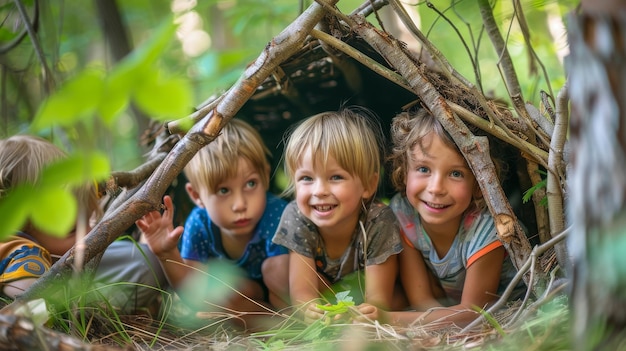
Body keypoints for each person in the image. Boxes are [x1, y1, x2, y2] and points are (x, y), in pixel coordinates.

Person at [356, 109, 525, 326]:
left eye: (456, 173)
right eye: (424, 168)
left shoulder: (489, 229)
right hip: (448, 300)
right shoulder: (404, 212)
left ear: (480, 183)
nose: (436, 188)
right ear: (404, 170)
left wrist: (389, 319)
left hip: (511, 314)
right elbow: (422, 300)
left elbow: (474, 314)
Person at [136, 118, 290, 319]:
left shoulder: (277, 214)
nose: (240, 204)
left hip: (285, 298)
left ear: (265, 176)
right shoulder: (199, 223)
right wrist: (167, 254)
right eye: (224, 190)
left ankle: (290, 325)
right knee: (225, 292)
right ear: (197, 196)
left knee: (274, 271)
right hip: (243, 299)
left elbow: (289, 279)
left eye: (251, 184)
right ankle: (272, 325)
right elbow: (193, 292)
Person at [0, 134, 167, 314]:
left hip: (67, 261)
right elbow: (29, 301)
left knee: (147, 261)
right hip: (64, 277)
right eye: (72, 229)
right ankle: (98, 312)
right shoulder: (24, 253)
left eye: (90, 220)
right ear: (20, 226)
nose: (89, 233)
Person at [271, 108, 403, 323]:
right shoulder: (297, 215)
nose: (319, 191)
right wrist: (310, 310)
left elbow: (378, 301)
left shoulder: (378, 220)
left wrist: (365, 314)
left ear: (368, 185)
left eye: (335, 177)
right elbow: (303, 294)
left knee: (399, 301)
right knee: (275, 273)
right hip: (325, 291)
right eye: (306, 178)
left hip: (363, 293)